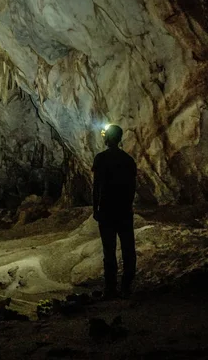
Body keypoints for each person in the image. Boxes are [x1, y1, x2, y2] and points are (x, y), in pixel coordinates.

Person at [92, 124, 137, 299]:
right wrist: (128, 206)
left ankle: (111, 289)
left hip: (107, 211)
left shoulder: (101, 158)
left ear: (108, 139)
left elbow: (97, 187)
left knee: (109, 251)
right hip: (124, 210)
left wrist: (95, 208)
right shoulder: (128, 160)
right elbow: (132, 187)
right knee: (128, 249)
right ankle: (126, 286)